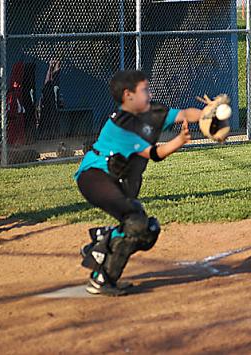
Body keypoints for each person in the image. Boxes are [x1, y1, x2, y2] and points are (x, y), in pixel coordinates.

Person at [75, 70, 204, 296]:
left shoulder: (153, 112)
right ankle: (101, 278)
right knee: (136, 222)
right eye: (144, 90)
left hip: (119, 179)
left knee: (147, 232)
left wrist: (206, 114)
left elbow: (184, 113)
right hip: (95, 176)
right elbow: (154, 153)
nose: (150, 93)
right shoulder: (122, 125)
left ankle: (102, 239)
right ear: (128, 95)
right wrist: (179, 141)